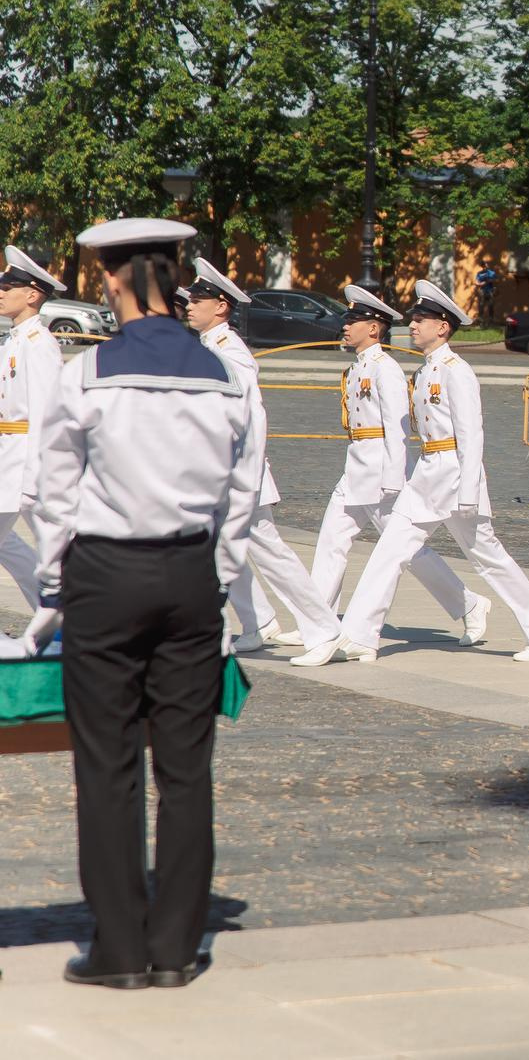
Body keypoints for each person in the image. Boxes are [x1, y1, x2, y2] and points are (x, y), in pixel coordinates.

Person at [38, 218, 259, 990]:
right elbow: (244, 492)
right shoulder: (227, 374)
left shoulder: (88, 371)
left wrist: (53, 585)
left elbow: (56, 490)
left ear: (121, 281)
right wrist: (218, 573)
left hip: (107, 568)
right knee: (187, 765)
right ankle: (176, 946)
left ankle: (119, 948)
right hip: (191, 572)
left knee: (106, 762)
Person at [300, 281, 529, 664]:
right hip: (426, 475)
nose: (415, 325)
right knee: (389, 552)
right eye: (415, 319)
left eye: (422, 319)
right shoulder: (424, 373)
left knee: (488, 557)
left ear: (443, 327)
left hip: (454, 477)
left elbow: (472, 434)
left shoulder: (457, 371)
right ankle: (360, 636)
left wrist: (470, 490)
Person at [182, 258, 338, 652]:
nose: (188, 304)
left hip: (237, 474)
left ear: (221, 306)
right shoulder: (207, 347)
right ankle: (259, 621)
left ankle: (323, 629)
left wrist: (246, 476)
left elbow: (252, 417)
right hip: (217, 472)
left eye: (197, 299)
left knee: (271, 555)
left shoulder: (229, 352)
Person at [308, 285, 485, 631]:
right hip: (356, 465)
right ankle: (316, 620)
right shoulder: (360, 366)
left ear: (373, 328)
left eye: (353, 320)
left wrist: (394, 476)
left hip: (380, 471)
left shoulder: (385, 368)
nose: (345, 326)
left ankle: (468, 602)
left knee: (405, 550)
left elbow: (397, 427)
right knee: (332, 540)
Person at [0, 246, 68, 615]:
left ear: (32, 294)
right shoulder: (14, 341)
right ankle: (54, 618)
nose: (0, 292)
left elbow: (46, 413)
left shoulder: (39, 345)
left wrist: (36, 475)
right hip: (8, 458)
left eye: (7, 287)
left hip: (26, 461)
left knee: (58, 554)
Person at [474, 258, 500, 323]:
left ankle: (491, 319)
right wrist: (480, 284)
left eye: (485, 265)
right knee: (481, 304)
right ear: (482, 266)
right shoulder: (479, 273)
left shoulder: (492, 273)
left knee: (491, 305)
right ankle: (480, 319)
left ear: (487, 265)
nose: (484, 266)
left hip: (490, 291)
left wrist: (490, 281)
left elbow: (497, 280)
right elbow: (476, 282)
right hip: (482, 291)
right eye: (483, 265)